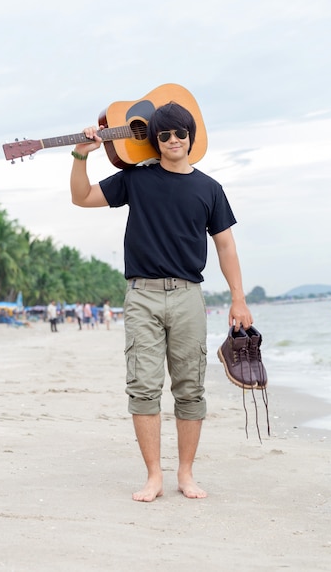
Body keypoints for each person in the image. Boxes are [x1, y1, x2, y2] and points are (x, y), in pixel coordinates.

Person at [70, 101, 253, 502]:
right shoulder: (136, 180)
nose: (172, 140)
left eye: (179, 134)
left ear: (190, 138)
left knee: (190, 389)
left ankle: (185, 473)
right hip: (142, 296)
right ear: (154, 138)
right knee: (143, 388)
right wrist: (81, 158)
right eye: (164, 134)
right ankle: (154, 475)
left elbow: (226, 247)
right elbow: (81, 197)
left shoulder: (210, 188)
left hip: (189, 297)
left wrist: (238, 299)